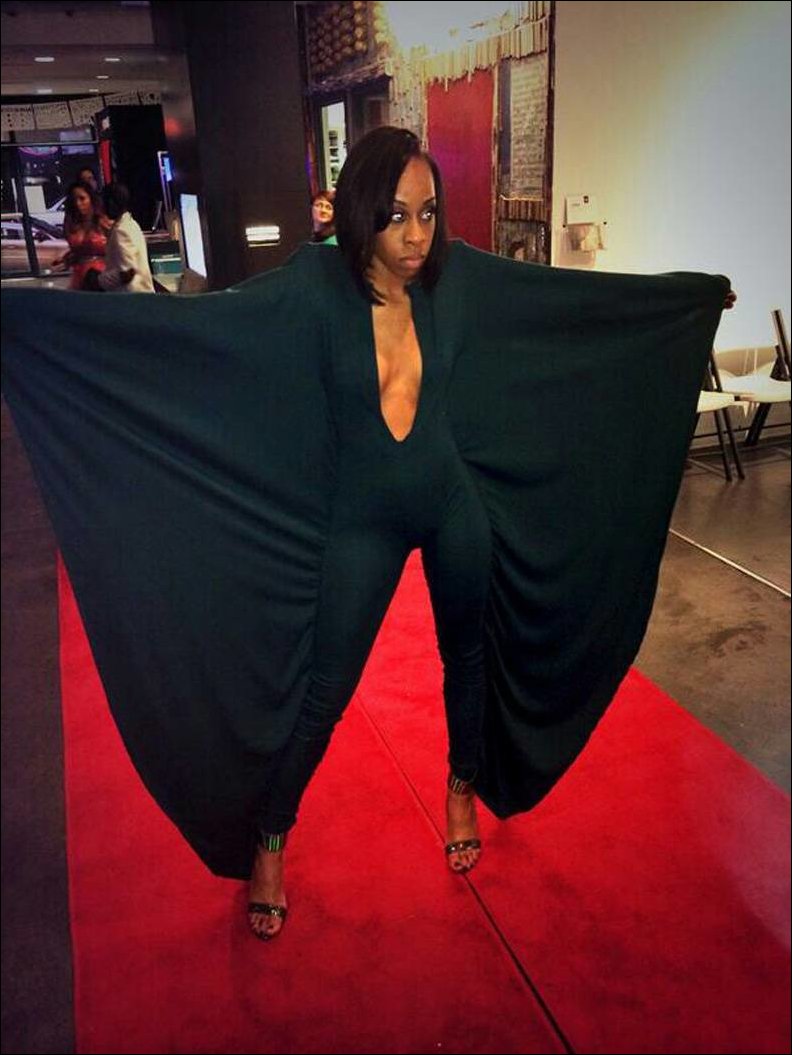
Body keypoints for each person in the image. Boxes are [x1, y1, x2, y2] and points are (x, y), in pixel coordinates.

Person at [1, 127, 735, 945]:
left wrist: (691, 300)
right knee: (325, 689)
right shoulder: (316, 285)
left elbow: (566, 303)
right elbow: (202, 330)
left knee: (468, 658)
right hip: (364, 519)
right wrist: (28, 320)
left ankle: (462, 788)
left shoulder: (456, 279)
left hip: (451, 503)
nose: (417, 235)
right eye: (396, 216)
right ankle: (270, 837)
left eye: (428, 213)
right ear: (360, 212)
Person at [91, 182, 155, 294]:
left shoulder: (121, 231)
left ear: (111, 204)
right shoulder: (130, 223)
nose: (102, 208)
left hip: (131, 298)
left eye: (103, 203)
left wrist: (99, 280)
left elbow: (127, 272)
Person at [53, 180, 111, 290]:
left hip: (101, 276)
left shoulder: (101, 221)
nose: (78, 204)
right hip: (79, 276)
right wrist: (67, 258)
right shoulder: (71, 222)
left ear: (91, 199)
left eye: (82, 198)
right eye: (74, 200)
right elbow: (79, 251)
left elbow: (116, 247)